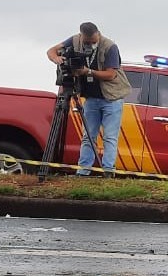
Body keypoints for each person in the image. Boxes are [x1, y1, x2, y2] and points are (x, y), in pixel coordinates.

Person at [45, 22, 131, 176]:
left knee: (109, 137)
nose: (89, 45)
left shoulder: (110, 46)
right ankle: (83, 171)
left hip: (111, 98)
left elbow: (111, 74)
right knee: (88, 136)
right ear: (81, 36)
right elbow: (51, 51)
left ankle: (108, 171)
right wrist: (57, 59)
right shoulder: (75, 40)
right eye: (86, 42)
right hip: (91, 98)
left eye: (92, 42)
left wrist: (88, 71)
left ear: (98, 34)